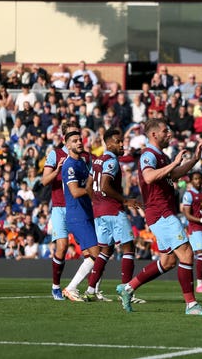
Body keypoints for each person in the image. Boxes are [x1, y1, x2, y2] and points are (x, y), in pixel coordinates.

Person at [115, 118, 202, 315]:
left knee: (168, 261)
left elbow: (173, 175)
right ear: (154, 134)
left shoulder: (161, 156)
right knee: (186, 253)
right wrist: (174, 163)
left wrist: (193, 160)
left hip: (164, 211)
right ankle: (191, 305)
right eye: (165, 131)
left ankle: (128, 288)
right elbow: (150, 177)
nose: (169, 134)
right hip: (160, 212)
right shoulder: (148, 155)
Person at [41, 122, 103, 301]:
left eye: (78, 135)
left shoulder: (84, 158)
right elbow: (45, 180)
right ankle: (56, 286)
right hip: (61, 207)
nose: (78, 139)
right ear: (65, 139)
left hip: (81, 207)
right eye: (72, 136)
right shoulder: (55, 154)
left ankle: (92, 289)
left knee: (90, 253)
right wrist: (57, 171)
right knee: (62, 247)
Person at [82, 128, 143, 302]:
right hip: (114, 211)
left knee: (105, 251)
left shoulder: (97, 161)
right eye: (118, 141)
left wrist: (98, 203)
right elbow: (105, 185)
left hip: (99, 212)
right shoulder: (112, 161)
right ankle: (127, 293)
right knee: (128, 248)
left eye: (122, 141)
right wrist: (125, 200)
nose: (122, 144)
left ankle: (91, 289)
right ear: (109, 143)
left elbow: (88, 187)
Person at [61, 128, 102, 300]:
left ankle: (94, 291)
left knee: (92, 256)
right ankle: (71, 288)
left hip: (85, 213)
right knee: (98, 253)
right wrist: (94, 189)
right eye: (75, 140)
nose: (79, 142)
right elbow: (76, 192)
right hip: (77, 216)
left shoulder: (82, 162)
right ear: (67, 145)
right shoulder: (69, 165)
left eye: (80, 140)